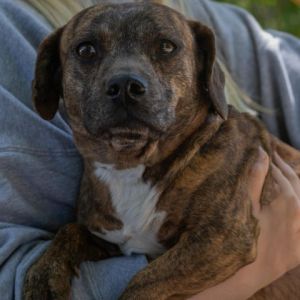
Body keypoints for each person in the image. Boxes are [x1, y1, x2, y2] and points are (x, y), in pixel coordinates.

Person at [0, 0, 299, 299]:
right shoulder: (13, 19)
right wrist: (67, 248)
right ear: (53, 78)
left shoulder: (220, 155)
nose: (125, 80)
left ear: (202, 69)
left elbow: (227, 243)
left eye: (165, 49)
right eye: (88, 52)